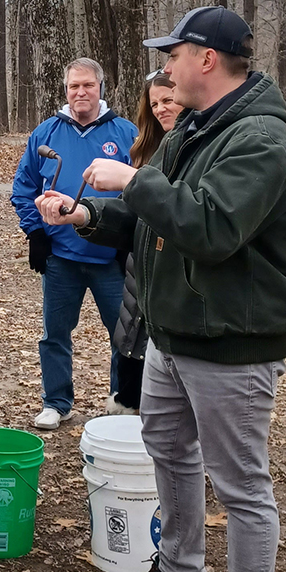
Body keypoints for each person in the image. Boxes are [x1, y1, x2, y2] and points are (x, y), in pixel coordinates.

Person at [35, 6, 286, 572]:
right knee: (169, 451)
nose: (166, 66)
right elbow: (152, 210)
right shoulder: (194, 126)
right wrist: (88, 213)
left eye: (174, 54)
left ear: (206, 60)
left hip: (233, 343)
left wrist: (133, 180)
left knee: (242, 486)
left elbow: (211, 226)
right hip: (172, 333)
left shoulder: (261, 140)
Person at [12, 58, 138, 431]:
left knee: (124, 336)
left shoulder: (126, 132)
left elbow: (141, 189)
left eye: (88, 85)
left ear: (101, 88)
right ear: (65, 90)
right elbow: (23, 189)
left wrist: (125, 241)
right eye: (73, 87)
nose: (80, 93)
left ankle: (122, 403)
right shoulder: (46, 135)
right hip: (61, 256)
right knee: (54, 332)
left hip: (110, 258)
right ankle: (56, 402)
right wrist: (36, 233)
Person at [107, 72, 183, 415]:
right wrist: (86, 216)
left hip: (171, 279)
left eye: (168, 100)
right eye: (154, 105)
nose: (161, 110)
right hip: (138, 272)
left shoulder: (192, 147)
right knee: (130, 352)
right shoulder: (147, 149)